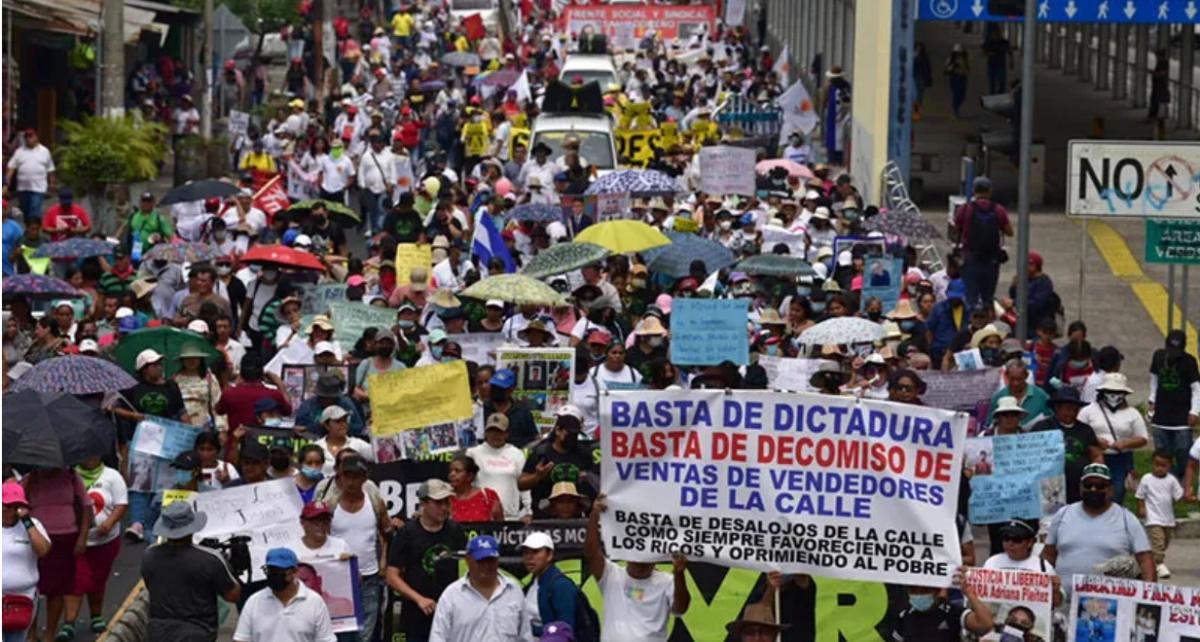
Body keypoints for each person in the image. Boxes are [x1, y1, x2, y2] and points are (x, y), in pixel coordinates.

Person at [585, 494, 690, 641]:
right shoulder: (611, 575)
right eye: (636, 555)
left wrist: (679, 574)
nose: (639, 560)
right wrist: (595, 514)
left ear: (656, 559)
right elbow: (591, 552)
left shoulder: (667, 581)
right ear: (626, 555)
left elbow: (681, 609)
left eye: (645, 556)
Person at [140, 502, 241, 640]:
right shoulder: (210, 558)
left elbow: (150, 585)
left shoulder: (149, 554)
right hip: (198, 633)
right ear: (192, 528)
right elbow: (232, 595)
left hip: (158, 633)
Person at [1042, 463, 1157, 582]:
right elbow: (1048, 556)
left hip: (1111, 597)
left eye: (1100, 485)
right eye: (1088, 485)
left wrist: (1150, 595)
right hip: (1065, 598)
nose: (1093, 489)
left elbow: (1145, 560)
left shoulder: (1126, 519)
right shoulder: (1063, 514)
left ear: (1111, 489)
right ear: (1081, 487)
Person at [386, 479, 466, 642]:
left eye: (447, 502)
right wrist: (418, 599)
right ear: (423, 504)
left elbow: (466, 567)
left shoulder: (456, 531)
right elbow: (391, 576)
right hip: (417, 612)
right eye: (438, 503)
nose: (444, 508)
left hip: (451, 610)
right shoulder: (407, 533)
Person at [21, 467, 90, 642]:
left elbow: (86, 506)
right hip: (35, 539)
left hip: (66, 538)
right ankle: (30, 634)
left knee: (58, 589)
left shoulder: (72, 477)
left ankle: (50, 634)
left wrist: (82, 538)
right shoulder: (30, 479)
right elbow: (18, 504)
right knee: (32, 587)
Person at [61, 456, 128, 638]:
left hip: (105, 541)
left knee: (98, 580)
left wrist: (108, 523)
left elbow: (121, 504)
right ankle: (69, 622)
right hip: (75, 541)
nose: (90, 458)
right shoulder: (69, 476)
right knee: (76, 579)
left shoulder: (112, 476)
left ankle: (96, 616)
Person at [323, 454, 387, 641]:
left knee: (364, 635)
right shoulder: (330, 505)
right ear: (340, 477)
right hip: (338, 580)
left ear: (364, 478)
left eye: (356, 476)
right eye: (347, 476)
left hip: (370, 579)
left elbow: (385, 532)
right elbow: (322, 539)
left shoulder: (375, 502)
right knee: (339, 635)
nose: (351, 481)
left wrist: (383, 563)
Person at [428, 535, 528, 642]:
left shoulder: (514, 590)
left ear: (498, 560)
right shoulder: (451, 595)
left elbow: (525, 635)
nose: (486, 565)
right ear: (467, 560)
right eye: (480, 561)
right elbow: (437, 637)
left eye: (491, 560)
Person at [233, 547, 336, 642]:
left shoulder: (314, 602)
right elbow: (241, 639)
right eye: (270, 570)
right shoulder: (254, 602)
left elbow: (325, 639)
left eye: (278, 571)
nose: (273, 575)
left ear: (295, 572)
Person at [1077, 373, 1148, 504]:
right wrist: (1095, 441)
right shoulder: (1088, 411)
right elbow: (1077, 432)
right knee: (1091, 489)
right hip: (1092, 457)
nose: (1114, 395)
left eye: (1118, 392)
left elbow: (1143, 438)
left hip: (1119, 458)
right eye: (1110, 391)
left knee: (1117, 491)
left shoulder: (1133, 413)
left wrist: (1126, 443)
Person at [521, 406, 598, 517]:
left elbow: (594, 484)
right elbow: (521, 484)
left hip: (574, 519)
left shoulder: (584, 453)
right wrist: (537, 476)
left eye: (575, 434)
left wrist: (587, 478)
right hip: (543, 517)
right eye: (569, 434)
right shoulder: (540, 452)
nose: (572, 438)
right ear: (558, 430)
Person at [1030, 387, 1103, 504]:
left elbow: (1096, 454)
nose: (1071, 413)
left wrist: (1097, 474)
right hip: (1049, 485)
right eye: (1068, 409)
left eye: (1075, 410)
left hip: (1078, 486)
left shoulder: (1085, 429)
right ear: (1057, 408)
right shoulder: (1042, 427)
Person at [952, 177, 1013, 310]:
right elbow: (1009, 232)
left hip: (970, 257)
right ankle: (987, 324)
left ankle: (971, 324)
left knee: (970, 296)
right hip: (992, 259)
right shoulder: (998, 209)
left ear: (974, 190)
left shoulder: (965, 208)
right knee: (988, 296)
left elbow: (955, 232)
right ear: (990, 191)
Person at [3, 481, 52, 642]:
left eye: (15, 506)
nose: (9, 511)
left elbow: (43, 550)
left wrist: (27, 522)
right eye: (7, 506)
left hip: (23, 599)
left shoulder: (33, 525)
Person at [1147, 330, 1200, 480]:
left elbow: (1196, 388)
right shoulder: (1158, 357)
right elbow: (1154, 381)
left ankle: (1184, 478)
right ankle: (1169, 480)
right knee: (1163, 452)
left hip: (1182, 417)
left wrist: (1195, 411)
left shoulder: (1190, 362)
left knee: (1183, 450)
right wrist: (1152, 401)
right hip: (1161, 415)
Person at [982, 520, 1063, 607]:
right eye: (1006, 538)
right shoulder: (992, 562)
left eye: (1016, 539)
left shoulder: (1043, 566)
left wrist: (1055, 590)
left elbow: (1057, 603)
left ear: (1030, 542)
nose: (1010, 543)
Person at [892, 572, 994, 641]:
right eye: (914, 590)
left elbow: (985, 624)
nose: (919, 595)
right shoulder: (904, 616)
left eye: (925, 590)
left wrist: (969, 594)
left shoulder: (952, 612)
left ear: (936, 591)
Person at [465, 413, 529, 520]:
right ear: (485, 433)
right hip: (480, 516)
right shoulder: (473, 453)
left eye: (499, 431)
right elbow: (466, 484)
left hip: (510, 517)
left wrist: (528, 510)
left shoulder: (517, 454)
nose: (495, 435)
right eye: (491, 431)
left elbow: (524, 486)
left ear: (507, 434)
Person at [520, 532, 581, 637]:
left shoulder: (561, 586)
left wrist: (528, 629)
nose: (529, 557)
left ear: (549, 555)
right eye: (526, 552)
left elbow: (565, 630)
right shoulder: (530, 586)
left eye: (535, 552)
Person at [1135, 450, 1184, 579]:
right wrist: (1141, 508)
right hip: (1153, 518)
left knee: (1165, 542)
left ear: (1169, 466)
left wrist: (1187, 498)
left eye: (1163, 465)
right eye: (1157, 464)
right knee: (1158, 542)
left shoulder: (1171, 480)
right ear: (1152, 463)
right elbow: (1140, 495)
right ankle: (1159, 564)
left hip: (1168, 518)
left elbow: (1178, 495)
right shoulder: (1147, 479)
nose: (1159, 468)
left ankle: (1149, 560)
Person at [7, 129, 56, 221]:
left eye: (31, 136)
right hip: (23, 188)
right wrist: (7, 180)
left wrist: (52, 184)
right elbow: (11, 166)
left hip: (38, 188)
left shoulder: (44, 151)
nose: (29, 139)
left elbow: (50, 169)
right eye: (27, 137)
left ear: (36, 137)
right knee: (26, 211)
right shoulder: (19, 151)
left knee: (34, 211)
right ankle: (29, 231)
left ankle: (35, 231)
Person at [986, 359, 1050, 429]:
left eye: (1019, 379)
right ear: (1006, 375)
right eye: (1012, 379)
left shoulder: (1041, 395)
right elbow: (990, 424)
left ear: (1026, 376)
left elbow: (1051, 419)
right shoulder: (998, 397)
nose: (1015, 383)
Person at [483, 369, 539, 447]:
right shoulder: (482, 409)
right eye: (494, 387)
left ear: (510, 390)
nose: (496, 391)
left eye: (500, 389)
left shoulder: (523, 412)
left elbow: (533, 439)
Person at [313, 406, 374, 476]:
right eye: (338, 421)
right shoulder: (317, 447)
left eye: (345, 420)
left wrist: (373, 430)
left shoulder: (357, 444)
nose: (343, 424)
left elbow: (377, 456)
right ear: (327, 425)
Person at [447, 453, 503, 523]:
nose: (452, 474)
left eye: (457, 471)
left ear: (470, 476)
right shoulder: (446, 498)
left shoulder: (488, 496)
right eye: (450, 471)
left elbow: (500, 527)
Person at [943, 44, 970, 119]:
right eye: (957, 52)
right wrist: (953, 67)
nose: (959, 54)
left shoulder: (965, 58)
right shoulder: (951, 59)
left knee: (963, 95)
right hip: (955, 77)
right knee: (956, 93)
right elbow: (946, 68)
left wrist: (964, 69)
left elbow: (968, 68)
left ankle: (956, 107)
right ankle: (955, 109)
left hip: (963, 77)